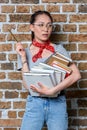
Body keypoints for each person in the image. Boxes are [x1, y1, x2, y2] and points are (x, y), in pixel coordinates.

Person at [16, 10, 81, 130]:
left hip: (57, 103)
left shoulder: (58, 50)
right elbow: (27, 83)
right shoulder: (24, 52)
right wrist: (23, 58)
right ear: (32, 27)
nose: (46, 29)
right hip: (35, 103)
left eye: (49, 25)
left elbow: (76, 75)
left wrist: (53, 91)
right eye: (41, 25)